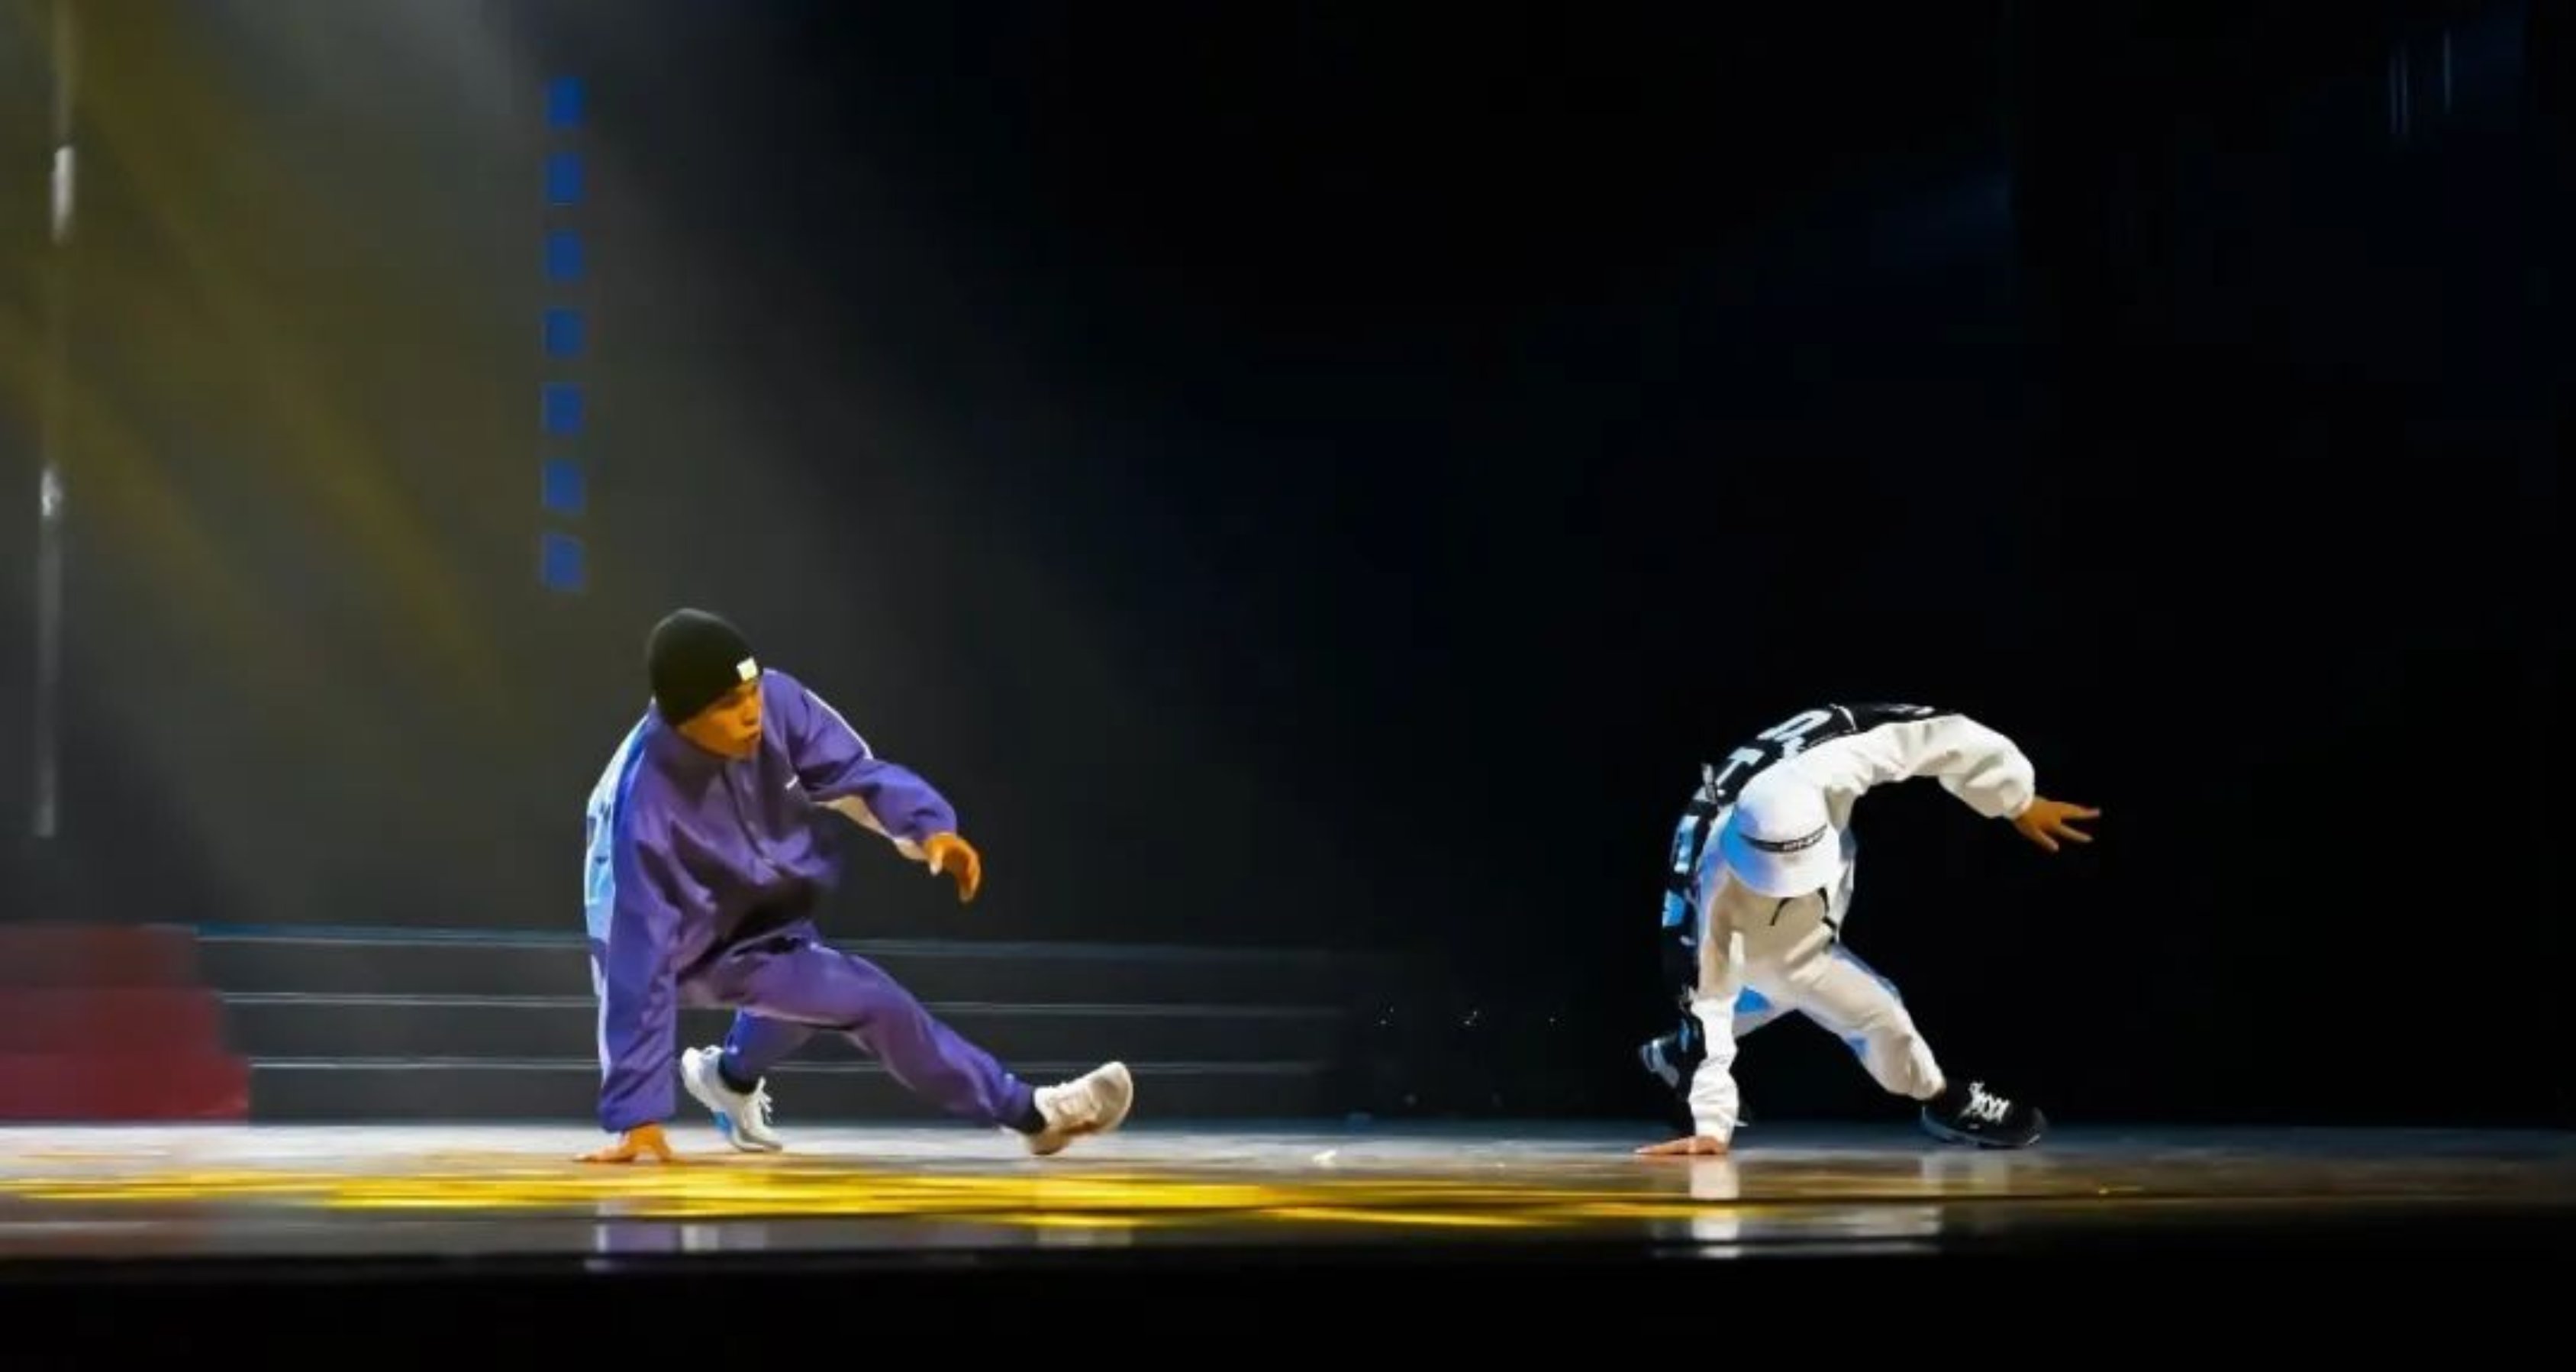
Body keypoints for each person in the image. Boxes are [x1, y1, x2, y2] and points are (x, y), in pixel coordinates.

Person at [575, 608, 1133, 1163]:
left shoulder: (778, 701)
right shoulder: (641, 810)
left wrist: (929, 829)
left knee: (803, 1007)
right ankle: (1031, 1113)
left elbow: (854, 775)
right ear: (682, 718)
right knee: (872, 998)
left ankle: (729, 1078)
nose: (751, 712)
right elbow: (633, 965)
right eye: (728, 704)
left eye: (752, 690)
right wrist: (637, 1119)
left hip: (768, 917)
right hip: (687, 946)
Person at [1633, 702, 2097, 1157]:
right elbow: (1707, 1003)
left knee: (1775, 995)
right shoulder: (1706, 893)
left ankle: (1677, 1058)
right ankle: (1943, 1099)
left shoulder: (1833, 760)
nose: (1789, 887)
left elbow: (1936, 734)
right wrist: (1712, 1126)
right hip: (1776, 944)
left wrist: (2017, 799)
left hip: (1811, 920)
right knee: (1875, 1013)